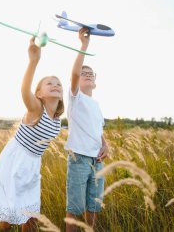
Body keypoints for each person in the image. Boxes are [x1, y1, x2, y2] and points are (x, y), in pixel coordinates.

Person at [0, 37, 64, 231]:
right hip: (17, 161)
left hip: (32, 165)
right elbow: (24, 91)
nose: (55, 85)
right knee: (10, 215)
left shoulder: (57, 119)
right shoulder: (36, 109)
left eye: (58, 84)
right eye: (49, 83)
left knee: (29, 217)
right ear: (39, 94)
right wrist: (33, 61)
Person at [65, 28, 109, 231]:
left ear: (96, 80)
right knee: (74, 207)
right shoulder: (76, 97)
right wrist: (84, 45)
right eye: (84, 73)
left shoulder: (97, 105)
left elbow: (98, 129)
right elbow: (75, 73)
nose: (88, 74)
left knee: (94, 204)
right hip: (79, 159)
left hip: (97, 161)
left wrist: (105, 144)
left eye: (91, 73)